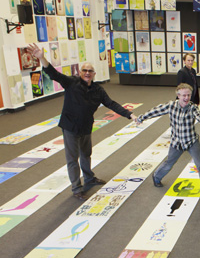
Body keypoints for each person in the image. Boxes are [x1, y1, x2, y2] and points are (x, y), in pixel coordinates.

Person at [27, 43, 137, 201]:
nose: (87, 73)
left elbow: (111, 104)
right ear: (80, 72)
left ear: (94, 74)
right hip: (70, 127)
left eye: (90, 71)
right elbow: (53, 74)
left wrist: (129, 115)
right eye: (84, 70)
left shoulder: (98, 90)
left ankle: (89, 178)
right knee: (72, 159)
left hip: (86, 127)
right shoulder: (71, 83)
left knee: (86, 154)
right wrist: (41, 57)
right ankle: (76, 188)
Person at [135, 84, 200, 200]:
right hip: (176, 142)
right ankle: (156, 176)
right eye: (184, 95)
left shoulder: (193, 107)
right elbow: (155, 111)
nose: (186, 98)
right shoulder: (171, 106)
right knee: (169, 164)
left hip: (191, 141)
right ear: (178, 96)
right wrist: (141, 118)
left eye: (188, 95)